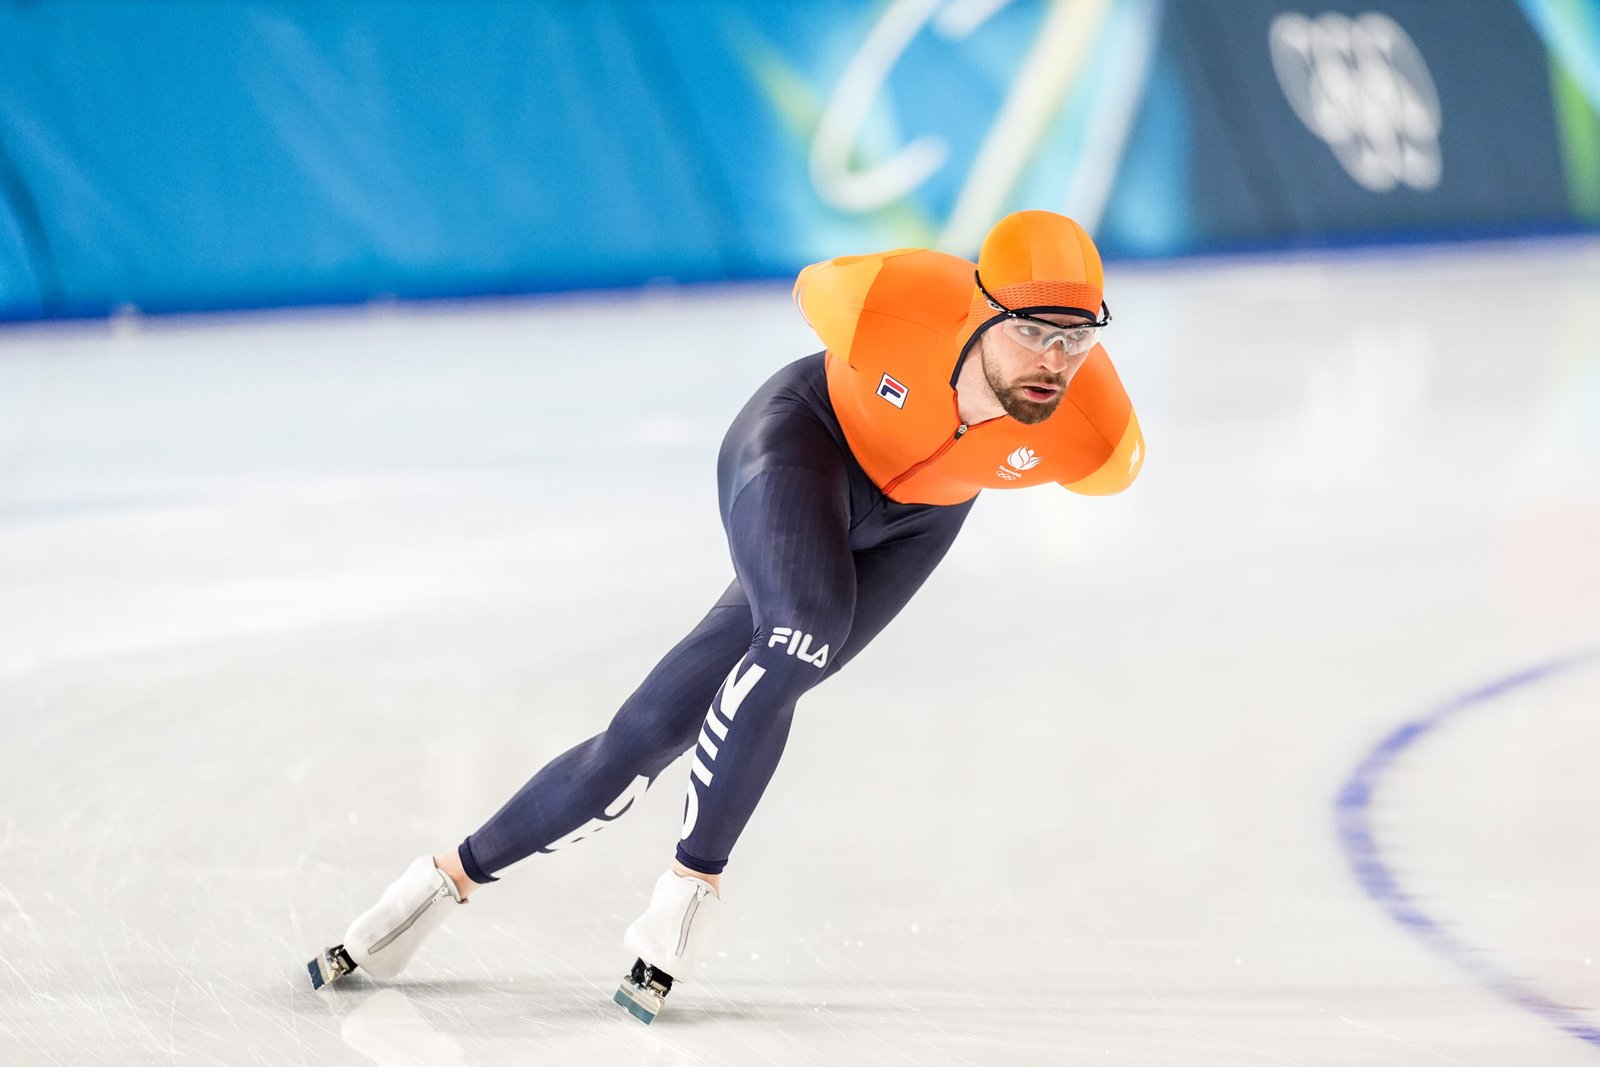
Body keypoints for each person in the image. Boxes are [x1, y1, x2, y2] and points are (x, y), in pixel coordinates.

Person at [307, 209, 1144, 1022]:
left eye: (1078, 338)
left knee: (652, 729)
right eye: (1032, 331)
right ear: (979, 308)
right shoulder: (888, 297)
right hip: (805, 442)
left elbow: (1121, 464)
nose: (1055, 360)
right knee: (798, 635)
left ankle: (434, 886)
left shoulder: (1095, 431)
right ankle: (690, 888)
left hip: (919, 521)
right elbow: (810, 284)